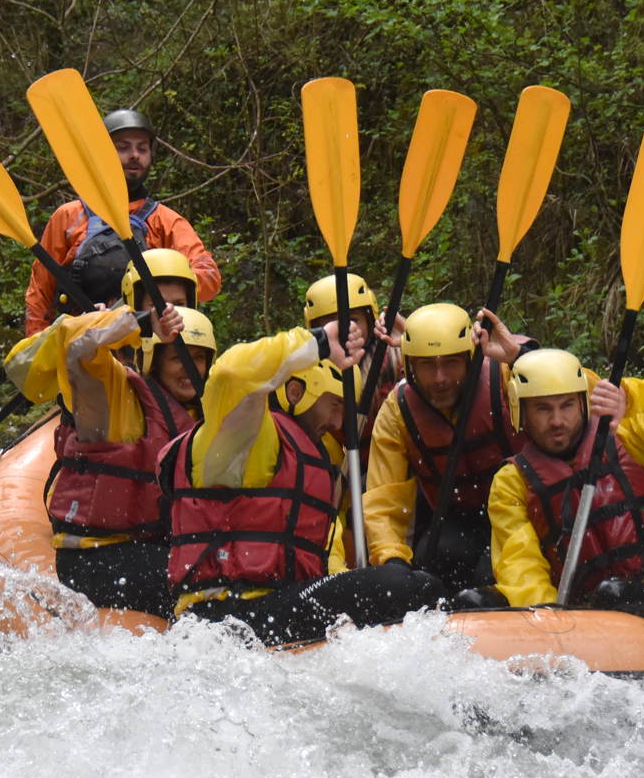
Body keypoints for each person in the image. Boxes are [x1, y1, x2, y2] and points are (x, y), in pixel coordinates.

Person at [157, 319, 444, 644]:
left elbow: (323, 554)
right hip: (223, 615)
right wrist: (317, 342)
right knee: (406, 585)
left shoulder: (314, 459)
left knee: (418, 583)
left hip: (271, 608)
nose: (338, 421)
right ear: (296, 392)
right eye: (335, 405)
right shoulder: (245, 438)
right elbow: (230, 374)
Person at [482, 346, 644, 632]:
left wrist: (633, 397)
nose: (557, 420)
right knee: (474, 600)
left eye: (566, 405)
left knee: (614, 594)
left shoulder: (634, 438)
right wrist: (550, 622)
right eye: (543, 408)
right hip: (584, 613)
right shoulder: (512, 481)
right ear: (520, 411)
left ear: (583, 402)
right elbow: (519, 565)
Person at [5, 303, 217, 618]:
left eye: (199, 358)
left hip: (152, 549)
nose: (190, 367)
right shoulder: (118, 394)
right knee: (200, 581)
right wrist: (141, 322)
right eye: (177, 358)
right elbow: (77, 345)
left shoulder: (206, 419)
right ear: (154, 360)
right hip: (95, 556)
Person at [363, 303, 537, 593]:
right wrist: (392, 562)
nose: (440, 378)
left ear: (470, 359)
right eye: (428, 365)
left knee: (491, 572)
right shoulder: (397, 410)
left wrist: (522, 358)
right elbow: (384, 502)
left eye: (451, 363)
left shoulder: (507, 378)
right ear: (410, 366)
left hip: (525, 513)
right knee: (433, 558)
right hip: (460, 519)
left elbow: (568, 391)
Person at [24, 109, 221, 336]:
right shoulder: (69, 217)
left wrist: (166, 287)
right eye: (123, 147)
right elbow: (40, 294)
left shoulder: (166, 222)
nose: (134, 155)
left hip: (145, 352)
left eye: (142, 149)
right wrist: (36, 345)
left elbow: (209, 276)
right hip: (82, 348)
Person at [303, 272, 403, 466]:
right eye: (330, 323)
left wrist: (412, 340)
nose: (344, 329)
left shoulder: (394, 360)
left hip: (399, 471)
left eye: (353, 319)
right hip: (354, 476)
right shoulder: (310, 376)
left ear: (369, 320)